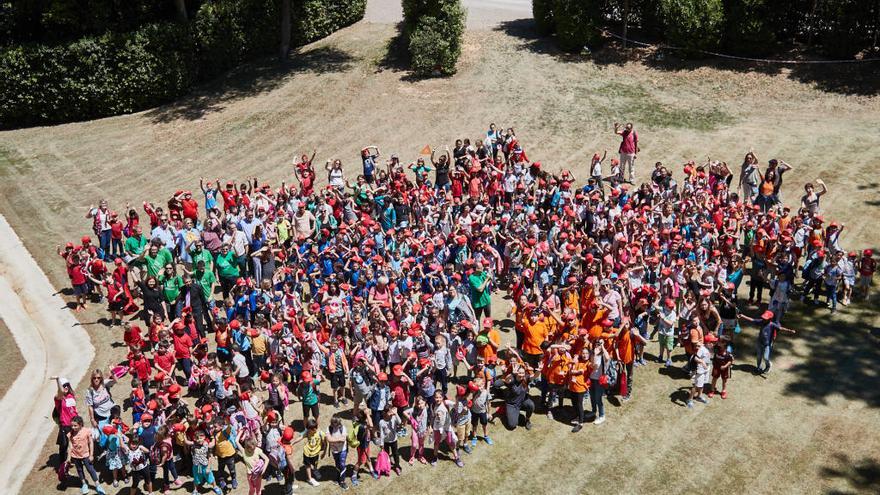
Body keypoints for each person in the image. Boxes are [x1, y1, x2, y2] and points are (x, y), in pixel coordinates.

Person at [66, 415, 107, 494]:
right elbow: (70, 446)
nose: (73, 427)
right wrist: (69, 457)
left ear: (81, 424)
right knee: (79, 470)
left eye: (75, 425)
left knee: (90, 469)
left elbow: (91, 443)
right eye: (72, 426)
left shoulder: (87, 431)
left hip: (86, 455)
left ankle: (97, 485)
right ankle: (84, 484)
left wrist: (91, 455)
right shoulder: (70, 434)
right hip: (75, 456)